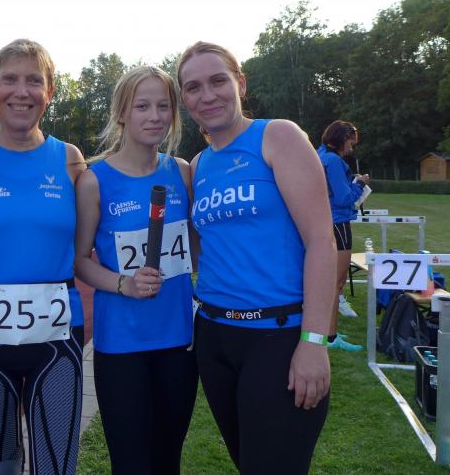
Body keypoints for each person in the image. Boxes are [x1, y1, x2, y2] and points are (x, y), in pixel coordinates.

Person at [178, 41, 334, 475]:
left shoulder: (277, 136)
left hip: (276, 338)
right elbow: (204, 247)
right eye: (193, 87)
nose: (207, 95)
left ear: (240, 84)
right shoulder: (199, 164)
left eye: (217, 81)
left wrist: (314, 341)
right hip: (214, 338)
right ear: (185, 99)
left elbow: (321, 241)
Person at [0, 38, 86, 475]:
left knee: (57, 467)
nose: (21, 91)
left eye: (34, 81)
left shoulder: (69, 159)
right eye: (9, 79)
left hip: (58, 336)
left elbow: (81, 242)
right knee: (1, 466)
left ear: (49, 91)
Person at [74, 66, 198, 474]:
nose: (155, 116)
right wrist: (123, 284)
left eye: (164, 106)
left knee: (168, 460)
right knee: (130, 463)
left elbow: (195, 250)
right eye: (142, 106)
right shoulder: (95, 181)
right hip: (122, 345)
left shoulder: (182, 172)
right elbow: (80, 260)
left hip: (178, 341)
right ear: (122, 113)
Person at [317, 120, 369, 351]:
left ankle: (326, 330)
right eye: (351, 142)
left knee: (326, 282)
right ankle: (330, 337)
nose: (351, 147)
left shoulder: (320, 155)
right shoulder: (334, 161)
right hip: (338, 223)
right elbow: (344, 198)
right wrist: (360, 184)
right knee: (336, 283)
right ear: (341, 138)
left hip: (323, 223)